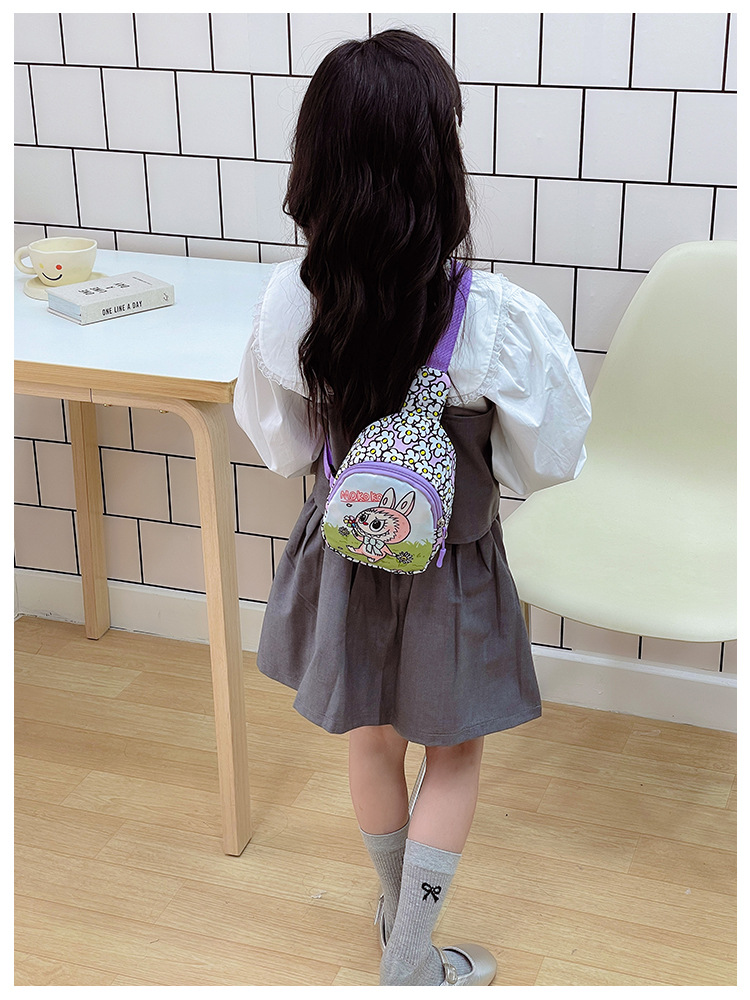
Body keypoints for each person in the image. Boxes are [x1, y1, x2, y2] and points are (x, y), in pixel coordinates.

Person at [233, 29, 591, 987]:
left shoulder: (289, 304)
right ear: (439, 166)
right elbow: (551, 457)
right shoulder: (496, 316)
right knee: (455, 755)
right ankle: (410, 961)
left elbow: (279, 446)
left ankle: (401, 932)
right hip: (453, 569)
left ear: (314, 165)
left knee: (372, 740)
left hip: (346, 561)